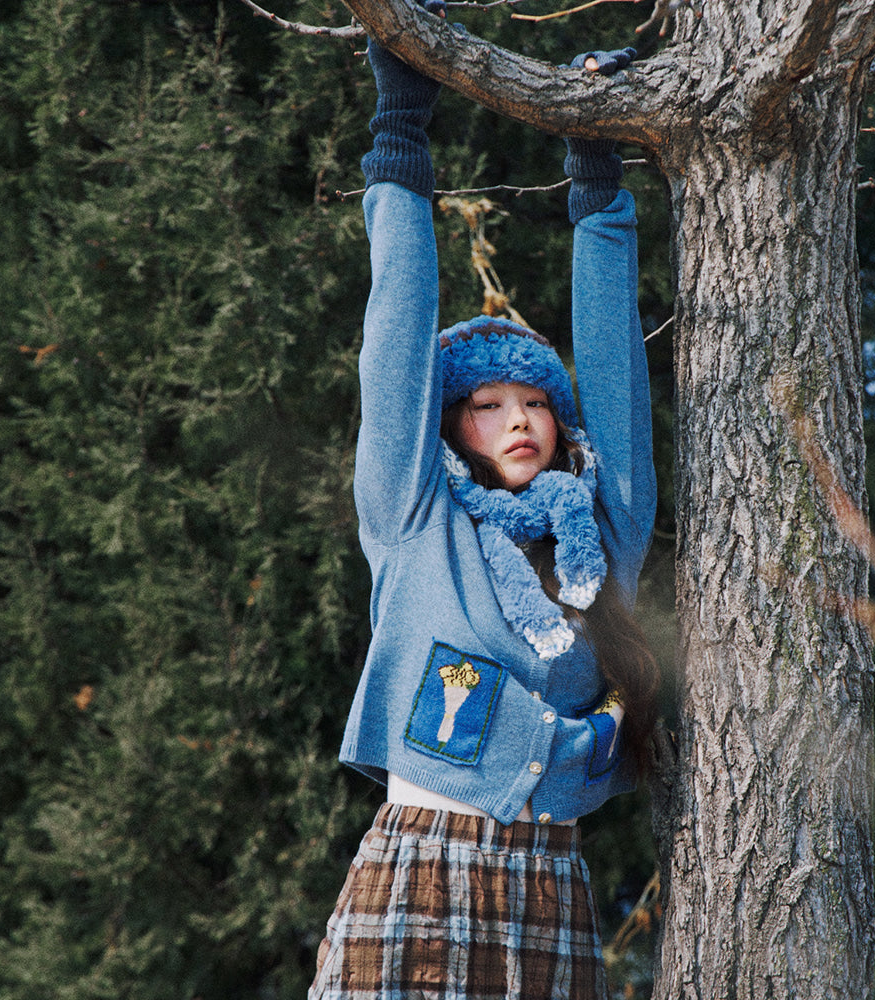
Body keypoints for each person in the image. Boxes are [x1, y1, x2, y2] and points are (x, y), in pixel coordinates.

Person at [310, 10, 659, 999]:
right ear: (451, 426)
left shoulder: (597, 530)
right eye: (488, 403)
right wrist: (400, 130)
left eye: (536, 401)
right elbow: (395, 333)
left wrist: (594, 177)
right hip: (421, 858)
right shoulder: (416, 519)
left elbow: (614, 373)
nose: (518, 419)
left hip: (549, 883)